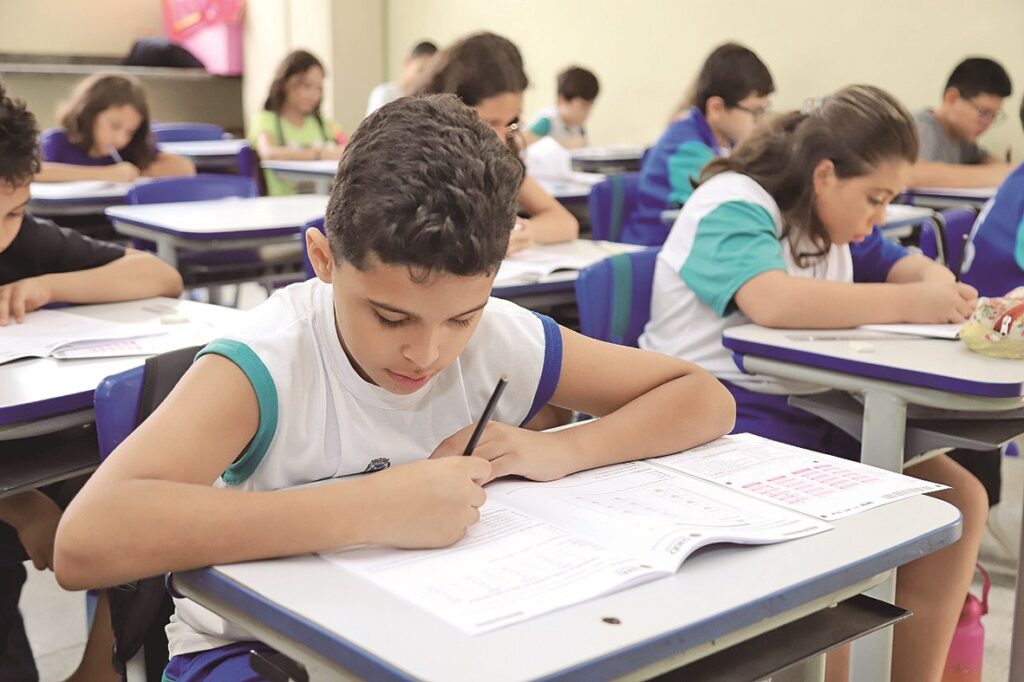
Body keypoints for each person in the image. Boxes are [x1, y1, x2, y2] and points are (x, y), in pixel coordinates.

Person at [54, 94, 736, 680]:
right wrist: (374, 507)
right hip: (255, 650)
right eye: (390, 316)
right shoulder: (268, 360)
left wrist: (562, 449)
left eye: (462, 318)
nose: (427, 352)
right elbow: (85, 542)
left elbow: (702, 397)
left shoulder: (501, 335)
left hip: (434, 631)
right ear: (324, 259)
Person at [640, 85, 988, 682]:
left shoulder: (831, 219)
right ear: (825, 175)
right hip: (714, 414)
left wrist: (938, 285)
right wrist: (915, 303)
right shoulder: (733, 202)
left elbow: (897, 263)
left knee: (958, 499)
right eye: (874, 199)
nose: (879, 217)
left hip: (805, 409)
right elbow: (772, 301)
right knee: (851, 532)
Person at [0, 83, 182, 682]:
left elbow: (158, 276)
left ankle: (97, 669)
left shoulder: (23, 240)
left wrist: (50, 285)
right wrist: (20, 506)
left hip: (21, 458)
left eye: (13, 212)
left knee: (142, 491)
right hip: (13, 493)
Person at [416, 32, 579, 254]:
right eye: (490, 123)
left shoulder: (501, 155)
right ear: (450, 108)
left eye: (510, 122)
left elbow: (565, 223)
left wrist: (522, 233)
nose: (501, 139)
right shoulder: (414, 155)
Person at [626, 43, 774, 246]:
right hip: (653, 248)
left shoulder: (728, 143)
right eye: (755, 112)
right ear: (716, 108)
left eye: (765, 110)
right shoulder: (685, 149)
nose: (761, 121)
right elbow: (727, 208)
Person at [37, 73, 195, 183]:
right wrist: (105, 174)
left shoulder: (130, 149)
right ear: (89, 113)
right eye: (114, 126)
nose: (121, 139)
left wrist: (135, 172)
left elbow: (185, 168)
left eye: (130, 132)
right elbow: (34, 173)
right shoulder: (57, 141)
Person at [249, 50, 347, 195]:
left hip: (322, 202)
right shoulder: (266, 119)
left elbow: (349, 148)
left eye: (318, 88)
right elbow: (268, 153)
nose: (314, 95)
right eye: (307, 86)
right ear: (285, 82)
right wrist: (318, 154)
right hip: (281, 204)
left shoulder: (324, 124)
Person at [910, 57, 1014, 189]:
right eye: (983, 112)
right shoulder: (921, 127)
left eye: (994, 115)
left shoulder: (962, 138)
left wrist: (1008, 170)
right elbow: (912, 174)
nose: (988, 123)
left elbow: (983, 158)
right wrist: (997, 174)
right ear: (952, 98)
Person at [524, 66, 599, 149]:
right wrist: (564, 144)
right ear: (562, 100)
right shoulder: (547, 121)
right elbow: (521, 145)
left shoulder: (578, 127)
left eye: (591, 105)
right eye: (583, 105)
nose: (588, 111)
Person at [365, 40, 438, 115]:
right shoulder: (384, 94)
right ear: (408, 61)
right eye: (420, 70)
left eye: (429, 74)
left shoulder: (429, 98)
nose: (424, 78)